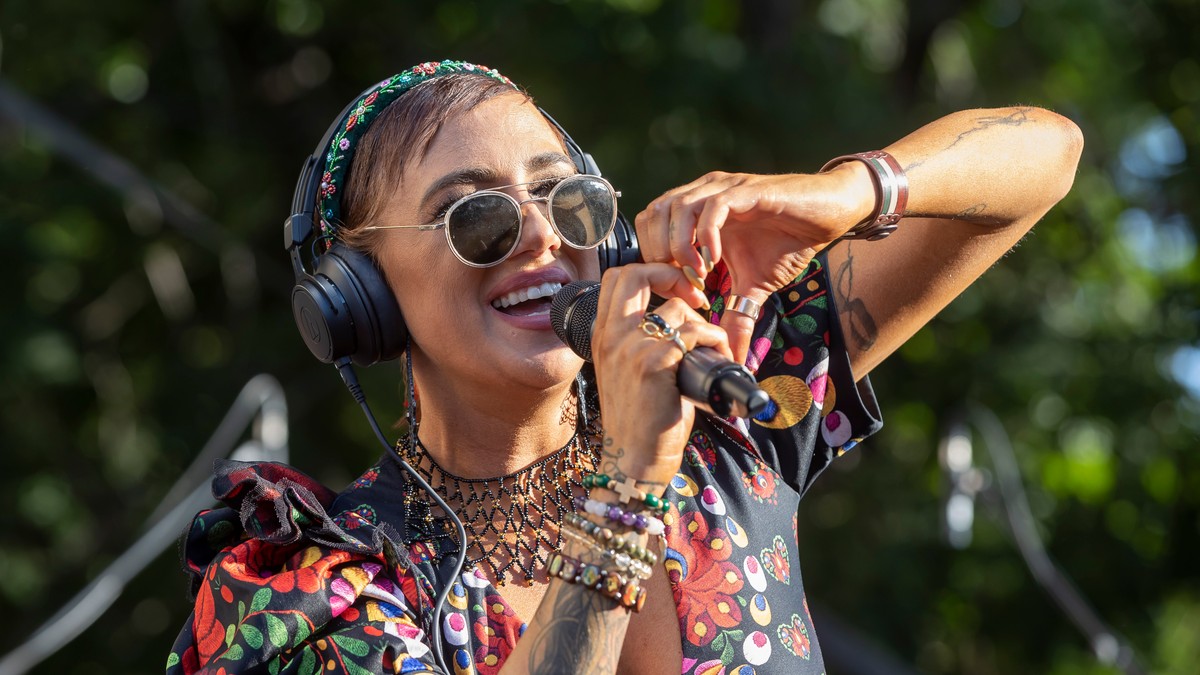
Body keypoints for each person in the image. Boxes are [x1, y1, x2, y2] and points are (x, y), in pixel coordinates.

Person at [166, 59, 1083, 674]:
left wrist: (847, 191)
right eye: (475, 217)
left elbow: (1048, 154)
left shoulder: (717, 408)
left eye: (564, 198)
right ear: (361, 291)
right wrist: (627, 482)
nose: (539, 236)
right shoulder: (312, 587)